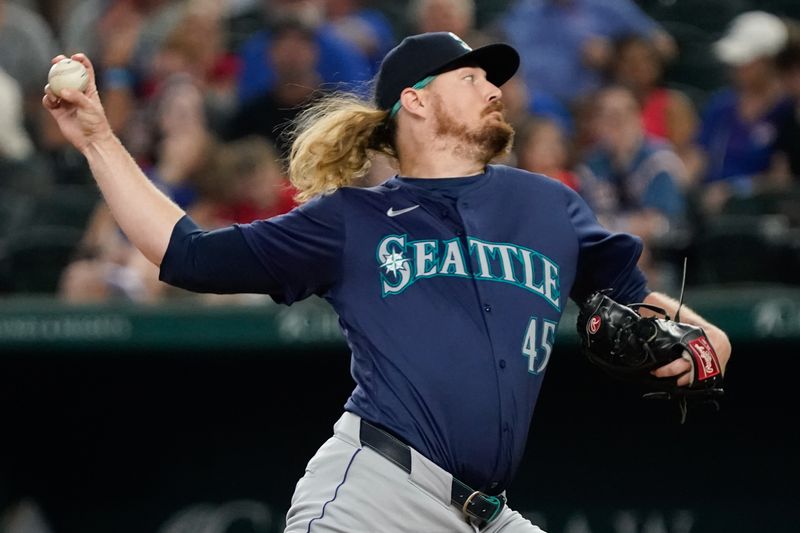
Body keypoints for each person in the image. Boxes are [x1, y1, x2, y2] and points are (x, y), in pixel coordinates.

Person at [43, 32, 731, 532]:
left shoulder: (550, 205)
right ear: (417, 102)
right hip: (374, 496)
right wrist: (98, 136)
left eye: (494, 80)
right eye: (471, 78)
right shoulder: (352, 220)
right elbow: (186, 254)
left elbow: (638, 306)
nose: (495, 89)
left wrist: (708, 341)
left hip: (485, 513)